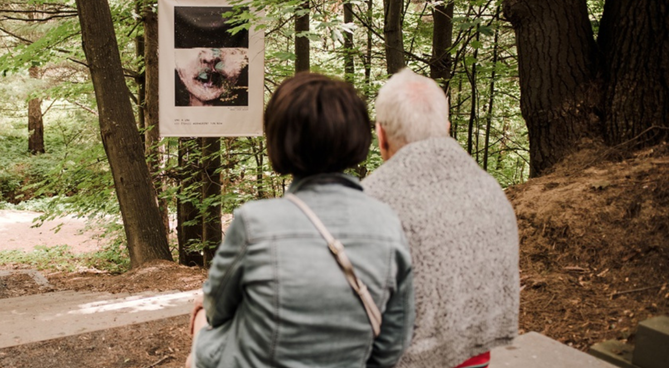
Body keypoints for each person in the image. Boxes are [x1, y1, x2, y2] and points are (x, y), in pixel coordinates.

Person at [185, 72, 414, 368]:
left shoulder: (254, 223)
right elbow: (391, 346)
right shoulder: (388, 224)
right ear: (359, 136)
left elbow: (217, 311)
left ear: (278, 139)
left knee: (202, 311)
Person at [361, 68, 520, 368]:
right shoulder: (490, 189)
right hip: (476, 357)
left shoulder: (370, 201)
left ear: (380, 134)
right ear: (445, 127)